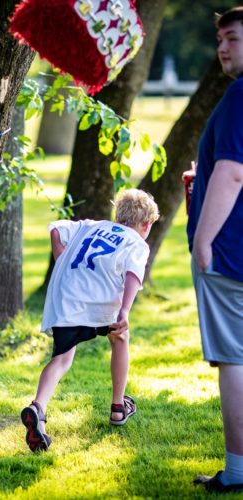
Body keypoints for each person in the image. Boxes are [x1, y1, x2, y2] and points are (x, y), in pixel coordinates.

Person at [20, 189, 159, 452]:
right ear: (147, 225)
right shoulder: (137, 243)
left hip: (67, 296)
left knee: (61, 358)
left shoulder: (90, 226)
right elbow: (132, 276)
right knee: (119, 338)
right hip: (100, 299)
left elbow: (57, 230)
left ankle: (38, 407)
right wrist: (125, 311)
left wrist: (61, 258)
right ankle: (118, 406)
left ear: (117, 214)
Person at [189, 7, 243, 494]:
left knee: (234, 359)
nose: (222, 48)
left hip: (230, 254)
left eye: (232, 38)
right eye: (220, 39)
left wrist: (203, 240)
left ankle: (239, 471)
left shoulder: (241, 95)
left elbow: (233, 172)